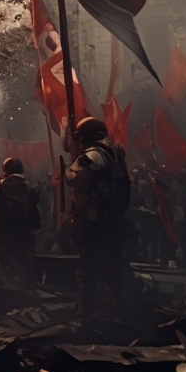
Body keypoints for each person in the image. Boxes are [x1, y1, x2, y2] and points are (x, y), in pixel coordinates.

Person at [64, 117, 130, 326]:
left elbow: (74, 178)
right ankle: (122, 313)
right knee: (113, 271)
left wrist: (73, 161)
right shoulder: (112, 153)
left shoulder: (93, 155)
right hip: (112, 221)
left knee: (89, 272)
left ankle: (88, 319)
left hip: (96, 222)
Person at [0, 158, 39, 284]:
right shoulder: (30, 187)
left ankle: (6, 283)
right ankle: (26, 283)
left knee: (1, 255)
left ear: (6, 171)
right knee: (22, 255)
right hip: (23, 230)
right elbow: (34, 209)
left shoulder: (1, 184)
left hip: (3, 228)